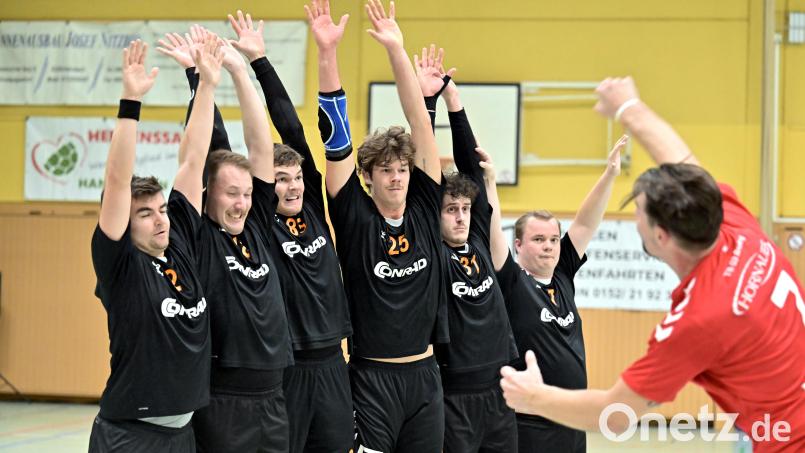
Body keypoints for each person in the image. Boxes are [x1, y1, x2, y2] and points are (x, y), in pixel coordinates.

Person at [500, 77, 805, 453]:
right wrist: (628, 106)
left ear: (661, 236)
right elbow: (683, 160)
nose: (634, 215)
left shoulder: (700, 320)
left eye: (639, 212)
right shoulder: (735, 224)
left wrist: (532, 398)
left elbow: (615, 414)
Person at [158, 24, 292, 452]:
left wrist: (238, 68)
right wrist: (201, 83)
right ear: (207, 193)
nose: (241, 203)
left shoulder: (256, 225)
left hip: (274, 397)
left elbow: (260, 146)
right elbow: (196, 153)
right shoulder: (197, 236)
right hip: (222, 399)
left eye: (248, 193)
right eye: (231, 193)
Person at [225, 6, 354, 452]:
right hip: (289, 367)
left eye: (296, 176)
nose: (293, 184)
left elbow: (292, 127)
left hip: (334, 365)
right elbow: (261, 136)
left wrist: (261, 62)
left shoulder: (314, 205)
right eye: (282, 179)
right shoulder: (259, 221)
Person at [322, 1, 449, 451]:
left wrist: (397, 49)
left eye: (402, 168)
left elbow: (420, 123)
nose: (397, 176)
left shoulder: (423, 208)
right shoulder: (355, 217)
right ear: (369, 176)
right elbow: (335, 143)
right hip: (371, 378)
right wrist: (327, 56)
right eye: (387, 169)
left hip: (425, 378)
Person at [88, 38, 218, 452]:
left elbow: (193, 159)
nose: (161, 218)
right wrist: (131, 102)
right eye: (145, 214)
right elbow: (115, 181)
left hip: (182, 434)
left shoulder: (177, 244)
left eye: (161, 209)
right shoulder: (121, 265)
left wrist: (208, 86)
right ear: (125, 224)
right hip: (130, 436)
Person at [491, 121, 627, 451]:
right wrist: (488, 181)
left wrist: (609, 174)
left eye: (553, 238)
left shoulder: (563, 274)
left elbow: (584, 222)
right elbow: (491, 228)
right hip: (529, 424)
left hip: (572, 419)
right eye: (539, 239)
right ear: (518, 244)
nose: (550, 246)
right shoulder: (511, 281)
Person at [412, 45, 519, 453]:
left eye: (464, 210)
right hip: (454, 392)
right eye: (450, 210)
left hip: (498, 389)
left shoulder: (476, 238)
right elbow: (424, 167)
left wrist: (454, 101)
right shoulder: (430, 251)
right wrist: (428, 102)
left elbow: (472, 170)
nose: (459, 217)